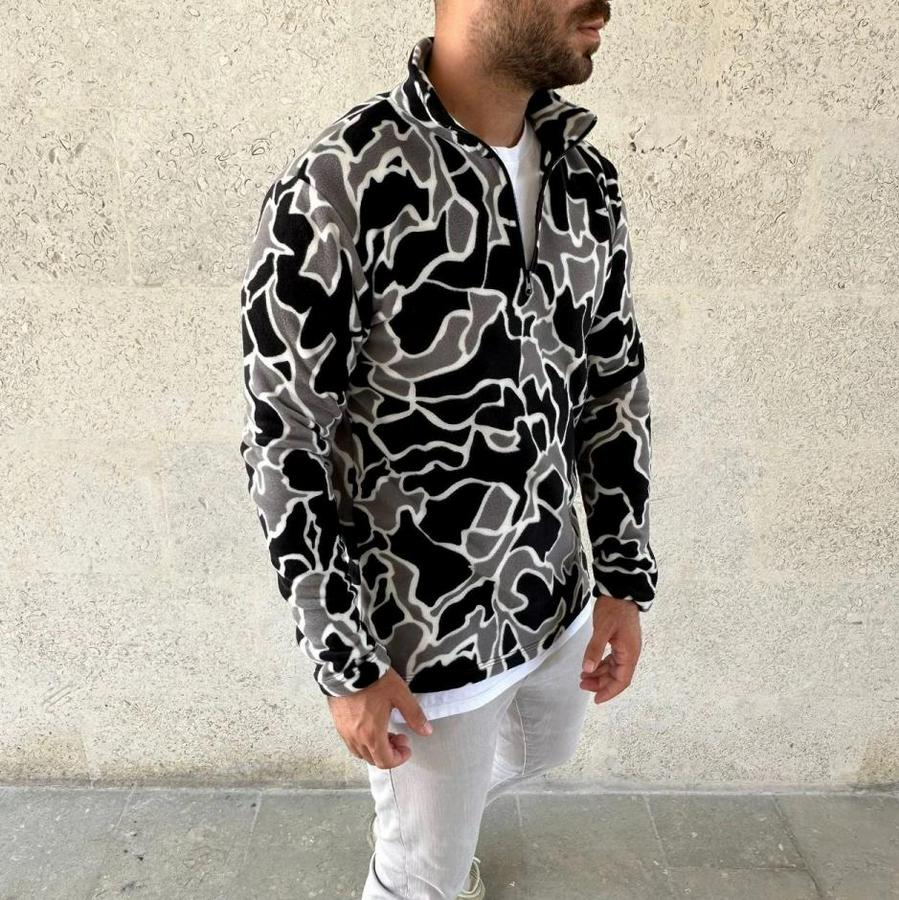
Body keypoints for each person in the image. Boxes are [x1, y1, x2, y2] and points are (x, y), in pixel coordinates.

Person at [239, 0, 658, 896]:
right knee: (419, 876)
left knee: (541, 748)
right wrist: (347, 664)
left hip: (554, 591)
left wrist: (623, 577)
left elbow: (612, 382)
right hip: (423, 640)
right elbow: (285, 441)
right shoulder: (341, 184)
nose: (605, 6)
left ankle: (432, 820)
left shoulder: (586, 177)